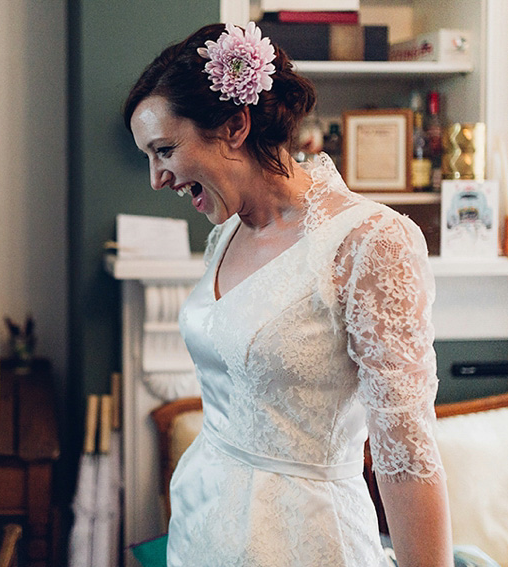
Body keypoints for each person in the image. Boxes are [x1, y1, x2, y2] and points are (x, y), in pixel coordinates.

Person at [123, 22, 453, 567]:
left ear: (234, 125)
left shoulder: (370, 242)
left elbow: (406, 453)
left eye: (164, 150)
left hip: (306, 540)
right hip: (203, 527)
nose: (157, 178)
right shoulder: (224, 234)